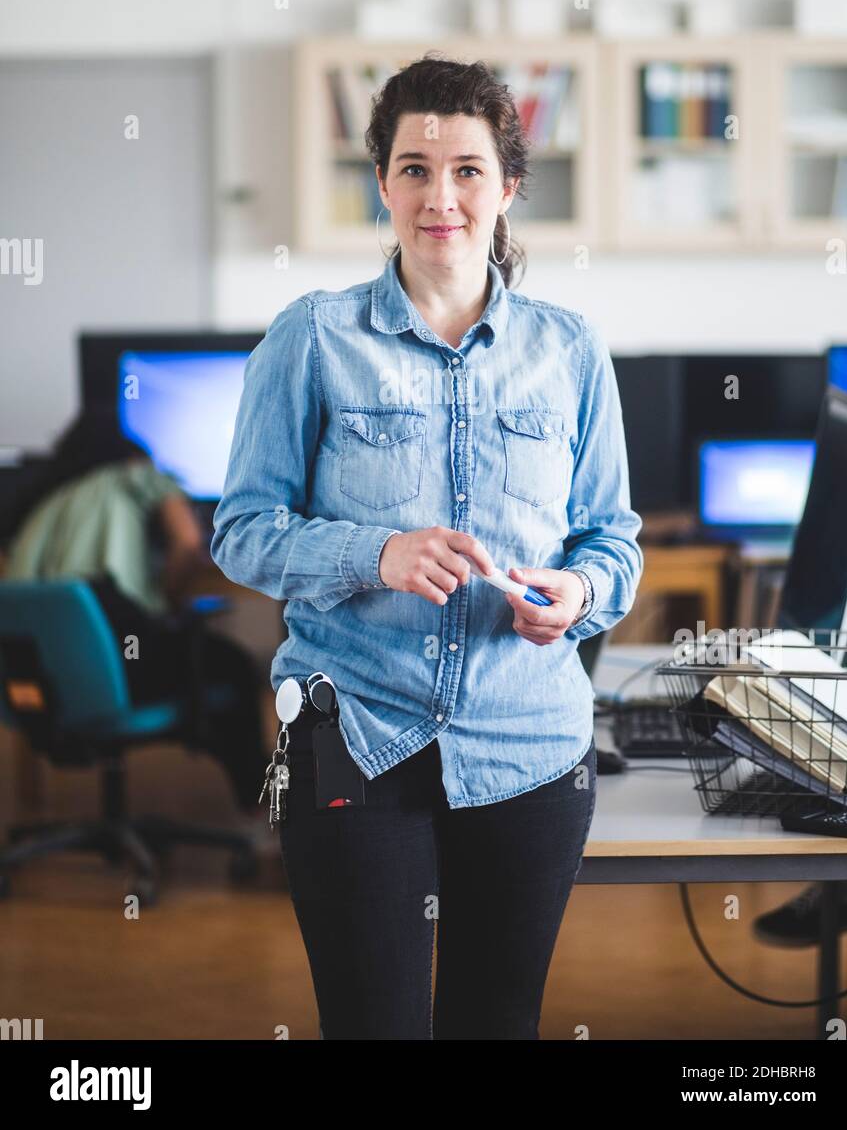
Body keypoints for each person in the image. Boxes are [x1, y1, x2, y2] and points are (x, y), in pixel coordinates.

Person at [211, 53, 644, 1039]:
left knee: (496, 1023)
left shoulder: (569, 351)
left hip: (530, 748)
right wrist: (377, 554)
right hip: (358, 736)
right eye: (412, 167)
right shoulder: (311, 340)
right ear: (381, 183)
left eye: (464, 170)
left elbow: (609, 537)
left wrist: (577, 594)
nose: (437, 195)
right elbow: (241, 531)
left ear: (507, 188)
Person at [1, 403, 270, 828]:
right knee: (231, 665)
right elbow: (187, 543)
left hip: (40, 681)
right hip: (121, 658)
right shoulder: (135, 474)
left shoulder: (40, 505)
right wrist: (168, 597)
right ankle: (260, 806)